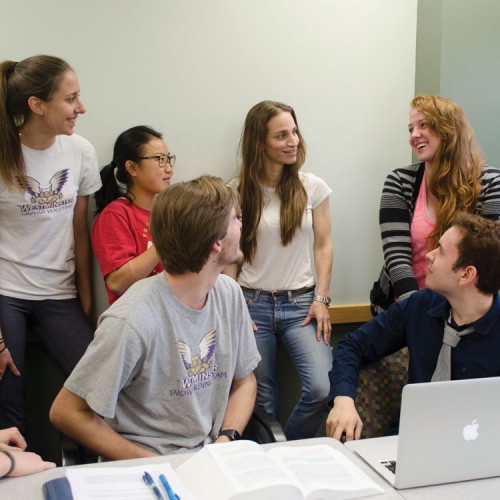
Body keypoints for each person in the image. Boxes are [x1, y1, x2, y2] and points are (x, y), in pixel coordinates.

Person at [49, 175, 260, 460]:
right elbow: (66, 412)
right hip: (149, 468)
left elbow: (244, 381)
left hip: (209, 459)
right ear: (216, 244)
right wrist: (157, 464)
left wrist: (227, 438)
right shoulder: (132, 319)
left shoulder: (229, 293)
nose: (242, 224)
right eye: (237, 218)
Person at [327, 213, 500, 441]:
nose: (428, 255)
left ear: (466, 274)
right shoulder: (421, 305)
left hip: (481, 453)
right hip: (405, 442)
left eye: (440, 251)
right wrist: (343, 399)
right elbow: (353, 345)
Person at [0, 55, 101, 432]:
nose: (81, 108)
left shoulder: (79, 151)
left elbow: (80, 232)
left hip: (58, 292)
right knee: (8, 389)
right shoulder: (4, 153)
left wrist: (85, 301)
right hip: (6, 291)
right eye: (71, 98)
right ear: (37, 105)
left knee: (96, 382)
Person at [227, 100, 333, 440]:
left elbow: (323, 245)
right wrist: (234, 307)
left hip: (301, 305)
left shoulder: (312, 187)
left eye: (295, 132)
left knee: (321, 386)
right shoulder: (236, 191)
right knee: (262, 400)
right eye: (282, 135)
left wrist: (322, 298)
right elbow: (229, 256)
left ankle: (287, 450)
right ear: (260, 142)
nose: (293, 141)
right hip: (250, 303)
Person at [370, 95, 500, 314]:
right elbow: (397, 257)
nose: (414, 135)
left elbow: (486, 258)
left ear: (449, 129)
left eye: (423, 125)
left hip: (467, 311)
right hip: (405, 305)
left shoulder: (492, 182)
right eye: (410, 129)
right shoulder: (399, 181)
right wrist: (416, 316)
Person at [92, 125, 174, 304]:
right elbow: (117, 282)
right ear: (132, 168)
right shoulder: (115, 215)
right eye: (160, 159)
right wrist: (166, 241)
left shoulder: (169, 211)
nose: (168, 168)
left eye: (169, 160)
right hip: (136, 318)